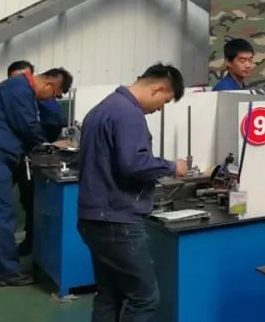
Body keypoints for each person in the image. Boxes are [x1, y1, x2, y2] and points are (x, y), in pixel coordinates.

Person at [77, 64, 189, 322]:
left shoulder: (102, 108)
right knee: (144, 298)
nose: (160, 108)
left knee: (109, 294)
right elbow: (134, 163)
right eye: (165, 101)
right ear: (157, 89)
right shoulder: (129, 114)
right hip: (118, 221)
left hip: (93, 217)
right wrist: (173, 167)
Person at [0, 67, 73, 286]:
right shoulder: (20, 90)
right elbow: (28, 126)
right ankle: (7, 272)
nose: (51, 100)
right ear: (49, 85)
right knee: (1, 214)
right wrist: (50, 145)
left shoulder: (20, 90)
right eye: (54, 95)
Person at [6, 60, 68, 257]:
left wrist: (44, 145)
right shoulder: (7, 97)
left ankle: (31, 242)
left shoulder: (45, 100)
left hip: (30, 157)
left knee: (31, 200)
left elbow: (54, 123)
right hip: (8, 155)